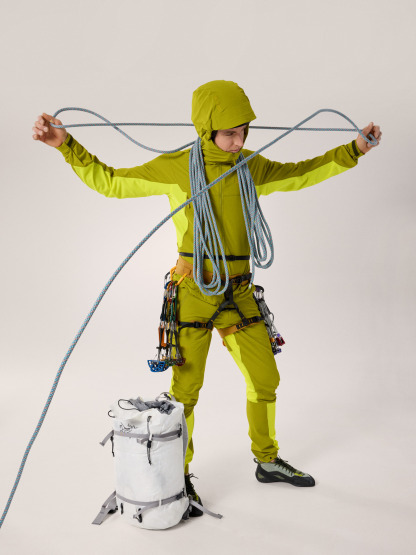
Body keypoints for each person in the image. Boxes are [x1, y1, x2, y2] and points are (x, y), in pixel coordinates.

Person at [32, 80, 381, 516]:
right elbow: (112, 182)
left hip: (239, 290)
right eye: (229, 133)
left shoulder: (250, 166)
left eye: (244, 131)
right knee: (185, 393)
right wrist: (67, 145)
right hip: (194, 290)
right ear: (205, 130)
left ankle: (267, 460)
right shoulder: (178, 168)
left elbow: (300, 173)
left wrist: (354, 150)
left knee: (265, 379)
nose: (239, 141)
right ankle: (177, 476)